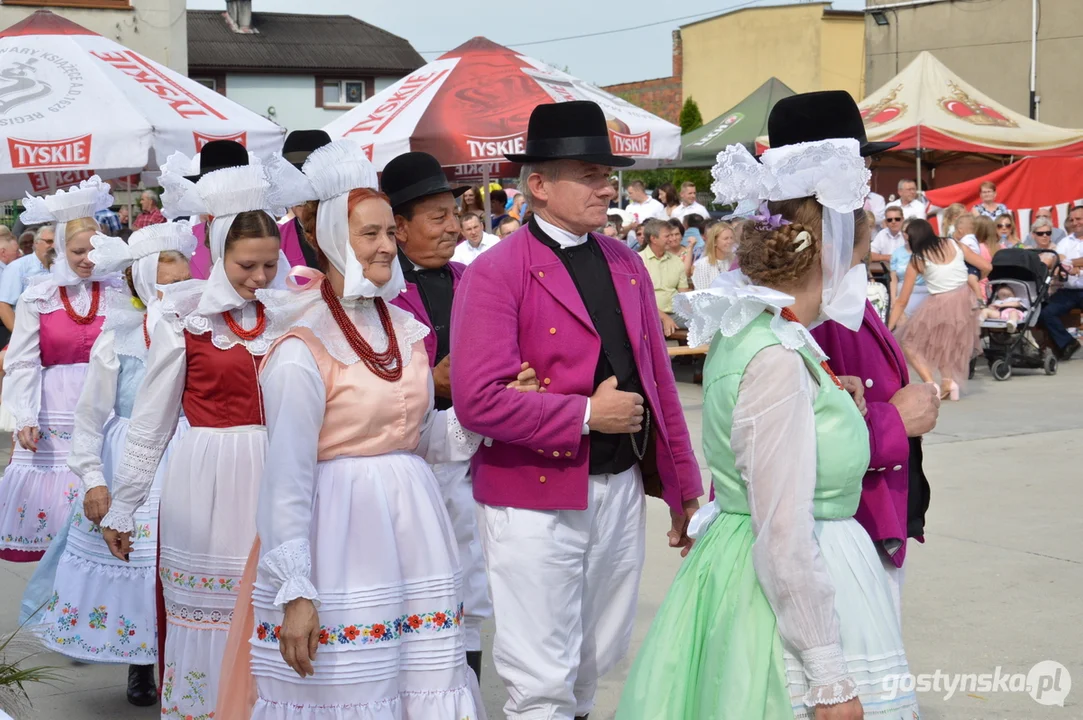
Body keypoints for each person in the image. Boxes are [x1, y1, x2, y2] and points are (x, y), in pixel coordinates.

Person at [618, 136, 919, 720]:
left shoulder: (764, 333)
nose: (861, 276)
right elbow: (783, 531)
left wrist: (832, 398)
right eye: (858, 261)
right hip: (796, 574)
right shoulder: (776, 354)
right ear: (827, 255)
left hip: (752, 557)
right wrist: (829, 678)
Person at [215, 141, 494, 720]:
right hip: (339, 534)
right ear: (335, 239)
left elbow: (419, 441)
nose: (387, 246)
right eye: (370, 234)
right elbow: (286, 478)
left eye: (389, 233)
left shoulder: (406, 331)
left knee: (423, 679)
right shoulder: (302, 345)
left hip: (413, 526)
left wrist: (481, 409)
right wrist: (295, 590)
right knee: (351, 687)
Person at [452, 100, 702, 720]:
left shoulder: (624, 262)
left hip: (617, 485)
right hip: (533, 494)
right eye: (589, 173)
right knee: (541, 678)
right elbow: (476, 401)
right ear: (538, 184)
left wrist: (682, 486)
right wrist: (585, 416)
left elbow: (657, 384)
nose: (606, 186)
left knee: (595, 660)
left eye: (607, 173)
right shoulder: (494, 271)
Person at [98, 155, 289, 720]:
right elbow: (152, 419)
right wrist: (124, 506)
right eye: (247, 266)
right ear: (219, 254)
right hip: (206, 474)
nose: (260, 279)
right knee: (210, 612)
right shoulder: (184, 316)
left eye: (269, 266)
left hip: (278, 472)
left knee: (269, 607)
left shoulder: (290, 313)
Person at [777, 90, 937, 626]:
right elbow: (789, 437)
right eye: (860, 164)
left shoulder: (833, 274)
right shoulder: (799, 296)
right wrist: (896, 422)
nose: (869, 178)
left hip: (867, 507)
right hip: (837, 522)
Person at [27, 223, 195, 706]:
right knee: (138, 561)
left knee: (184, 560)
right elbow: (90, 413)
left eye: (185, 281)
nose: (177, 294)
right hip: (130, 454)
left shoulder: (204, 327)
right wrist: (93, 476)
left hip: (191, 450)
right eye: (167, 284)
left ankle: (187, 659)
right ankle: (142, 661)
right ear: (141, 283)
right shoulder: (120, 334)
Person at [384, 150, 495, 680]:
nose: (454, 227)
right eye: (438, 218)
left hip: (480, 456)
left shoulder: (473, 279)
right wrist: (434, 380)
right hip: (413, 460)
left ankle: (465, 694)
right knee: (419, 587)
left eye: (455, 214)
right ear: (399, 228)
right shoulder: (379, 294)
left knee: (472, 587)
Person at [0, 178, 120, 562]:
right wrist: (25, 416)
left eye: (95, 249)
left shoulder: (120, 292)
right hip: (54, 404)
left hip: (107, 404)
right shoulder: (40, 295)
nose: (88, 258)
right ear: (61, 250)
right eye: (78, 250)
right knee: (55, 515)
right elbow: (22, 360)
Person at [891, 219, 989, 400]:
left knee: (907, 341)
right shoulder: (954, 243)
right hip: (965, 299)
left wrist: (888, 327)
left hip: (940, 302)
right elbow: (986, 266)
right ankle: (948, 383)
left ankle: (931, 383)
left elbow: (902, 301)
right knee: (945, 345)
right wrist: (970, 279)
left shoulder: (918, 259)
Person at [1041, 205, 1083, 360]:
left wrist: (1071, 263)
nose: (1075, 222)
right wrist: (1073, 264)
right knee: (1045, 312)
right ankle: (1067, 343)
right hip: (1068, 290)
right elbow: (1056, 261)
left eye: (1078, 219)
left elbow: (1065, 261)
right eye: (1072, 219)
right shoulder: (1065, 241)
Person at [639, 218, 688, 337]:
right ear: (653, 239)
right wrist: (664, 317)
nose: (671, 239)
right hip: (647, 315)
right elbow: (639, 299)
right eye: (667, 236)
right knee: (652, 327)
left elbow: (684, 295)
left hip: (676, 314)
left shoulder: (676, 261)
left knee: (706, 323)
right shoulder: (638, 261)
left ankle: (696, 355)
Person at [0, 225, 53, 333]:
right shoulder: (17, 267)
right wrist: (20, 336)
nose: (54, 245)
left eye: (57, 242)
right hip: (28, 335)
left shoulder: (62, 267)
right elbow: (4, 306)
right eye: (49, 241)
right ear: (36, 243)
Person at [692, 221, 735, 290]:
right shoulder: (703, 265)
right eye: (726, 238)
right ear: (714, 242)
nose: (730, 241)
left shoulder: (735, 261)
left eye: (731, 238)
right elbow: (701, 294)